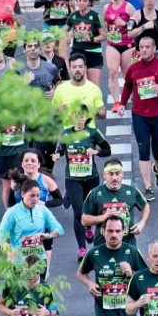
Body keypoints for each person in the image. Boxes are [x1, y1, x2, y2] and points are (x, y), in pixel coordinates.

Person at [121, 35, 158, 201]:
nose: (145, 50)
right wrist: (122, 104)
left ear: (154, 49)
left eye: (148, 47)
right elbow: (127, 86)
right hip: (140, 115)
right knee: (143, 150)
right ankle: (148, 187)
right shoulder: (134, 69)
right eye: (142, 47)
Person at [54, 111, 111, 260]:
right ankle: (82, 249)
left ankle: (89, 228)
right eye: (76, 116)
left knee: (92, 209)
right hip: (73, 179)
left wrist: (95, 152)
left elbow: (107, 150)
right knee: (78, 211)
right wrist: (57, 155)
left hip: (91, 177)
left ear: (87, 118)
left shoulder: (93, 133)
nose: (79, 119)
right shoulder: (66, 134)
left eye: (82, 116)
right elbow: (61, 149)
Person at [0, 178, 64, 271]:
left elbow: (59, 230)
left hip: (39, 261)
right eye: (32, 195)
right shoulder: (12, 213)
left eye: (38, 195)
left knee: (41, 285)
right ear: (23, 194)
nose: (35, 199)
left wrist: (47, 236)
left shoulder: (43, 210)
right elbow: (1, 236)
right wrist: (8, 251)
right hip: (18, 263)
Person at [81, 158, 150, 244]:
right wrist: (103, 217)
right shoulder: (95, 193)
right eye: (111, 174)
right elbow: (84, 220)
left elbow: (145, 206)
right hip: (102, 246)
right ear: (104, 175)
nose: (114, 177)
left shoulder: (132, 191)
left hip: (128, 245)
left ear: (122, 175)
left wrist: (141, 223)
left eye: (117, 173)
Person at [52, 55, 106, 125]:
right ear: (69, 69)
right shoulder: (60, 89)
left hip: (89, 134)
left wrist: (98, 111)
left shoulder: (94, 89)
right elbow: (53, 115)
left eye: (80, 66)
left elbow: (102, 115)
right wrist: (60, 111)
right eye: (74, 67)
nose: (77, 70)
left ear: (85, 68)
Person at [66, 0, 106, 87]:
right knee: (80, 85)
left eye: (85, 1)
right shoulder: (73, 16)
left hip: (93, 53)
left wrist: (91, 39)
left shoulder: (95, 16)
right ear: (76, 1)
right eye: (80, 0)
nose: (82, 3)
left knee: (94, 86)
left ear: (89, 3)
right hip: (77, 53)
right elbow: (64, 31)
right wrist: (68, 36)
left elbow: (104, 36)